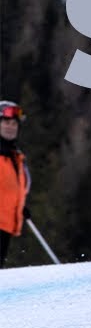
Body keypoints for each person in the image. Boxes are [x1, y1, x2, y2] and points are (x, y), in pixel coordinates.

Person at [0, 100, 32, 268]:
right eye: (6, 122)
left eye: (14, 123)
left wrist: (19, 207)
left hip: (5, 225)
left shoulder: (15, 156)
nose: (10, 126)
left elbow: (13, 188)